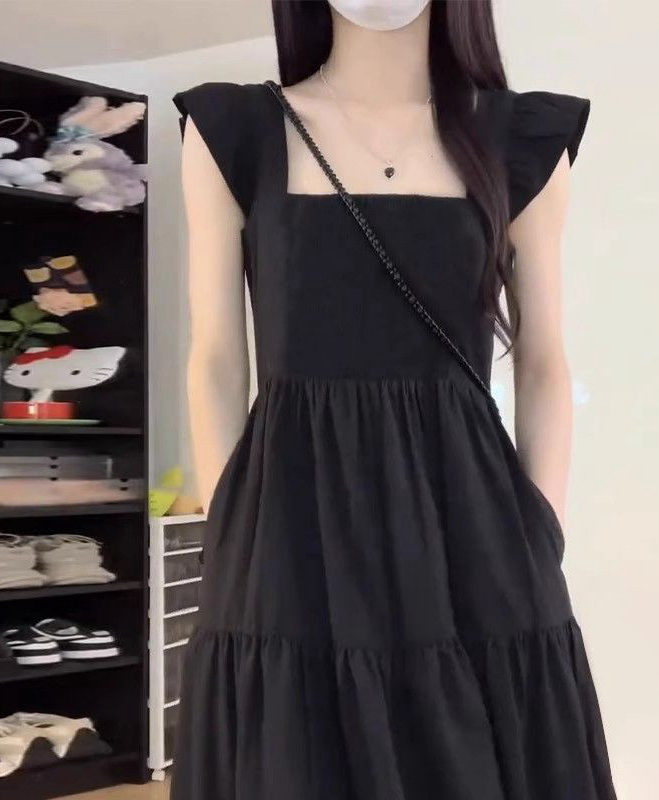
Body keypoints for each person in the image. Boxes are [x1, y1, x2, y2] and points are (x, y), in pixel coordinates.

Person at [170, 1, 616, 798]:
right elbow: (215, 359)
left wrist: (540, 526)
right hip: (293, 510)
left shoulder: (521, 138)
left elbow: (544, 360)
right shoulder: (234, 130)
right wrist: (228, 523)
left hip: (469, 510)